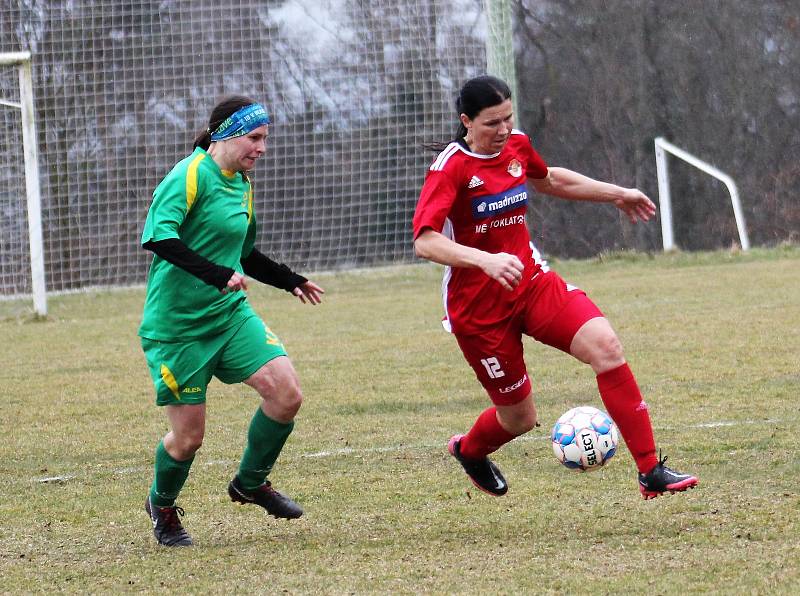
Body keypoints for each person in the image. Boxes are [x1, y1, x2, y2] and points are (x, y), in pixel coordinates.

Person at [412, 75, 698, 500]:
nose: (504, 130)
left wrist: (616, 193)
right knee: (519, 418)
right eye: (492, 123)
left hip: (532, 283)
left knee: (606, 347)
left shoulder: (516, 147)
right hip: (479, 310)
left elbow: (550, 180)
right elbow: (425, 241)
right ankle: (470, 451)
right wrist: (485, 260)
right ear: (466, 122)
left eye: (508, 118)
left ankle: (650, 470)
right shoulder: (451, 167)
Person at [139, 95, 324, 547]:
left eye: (265, 138)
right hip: (178, 329)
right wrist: (217, 275)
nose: (262, 148)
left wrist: (288, 279)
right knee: (188, 440)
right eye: (254, 137)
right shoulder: (189, 174)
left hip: (229, 317)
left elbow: (242, 254)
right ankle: (162, 506)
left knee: (286, 393)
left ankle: (250, 482)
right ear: (224, 133)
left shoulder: (241, 181)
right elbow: (158, 237)